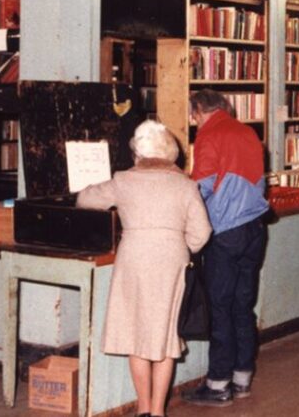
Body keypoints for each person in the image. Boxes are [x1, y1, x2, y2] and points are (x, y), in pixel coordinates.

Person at [77, 121, 212, 417]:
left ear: (137, 152)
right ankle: (160, 412)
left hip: (133, 260)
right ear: (171, 152)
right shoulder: (186, 185)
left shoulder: (124, 180)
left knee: (136, 335)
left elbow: (84, 199)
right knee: (165, 339)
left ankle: (143, 409)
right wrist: (180, 243)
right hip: (172, 261)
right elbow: (202, 233)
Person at [181, 89, 269, 408]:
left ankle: (218, 384)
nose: (193, 122)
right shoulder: (249, 132)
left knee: (219, 306)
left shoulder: (209, 134)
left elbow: (200, 187)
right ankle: (242, 378)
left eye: (193, 116)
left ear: (201, 110)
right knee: (242, 306)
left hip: (226, 232)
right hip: (255, 230)